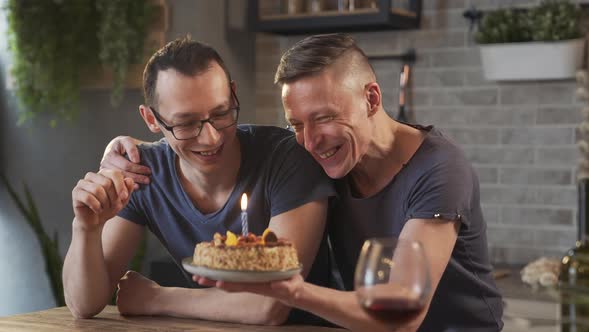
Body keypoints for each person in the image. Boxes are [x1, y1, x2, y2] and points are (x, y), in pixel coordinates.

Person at [104, 34, 504, 331]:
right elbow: (207, 134)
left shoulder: (439, 168)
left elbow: (401, 315)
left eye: (325, 117)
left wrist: (290, 291)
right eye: (296, 124)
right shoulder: (332, 156)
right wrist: (140, 146)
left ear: (372, 100)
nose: (310, 141)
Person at [62, 36, 336, 325]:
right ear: (152, 120)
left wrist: (156, 298)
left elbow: (269, 306)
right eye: (186, 123)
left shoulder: (288, 159)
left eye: (220, 114)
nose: (211, 137)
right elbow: (84, 304)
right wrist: (85, 228)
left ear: (233, 95)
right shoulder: (141, 173)